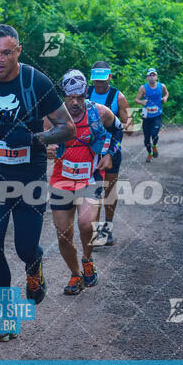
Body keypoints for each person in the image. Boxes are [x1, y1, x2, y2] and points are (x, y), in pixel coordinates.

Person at [0, 24, 75, 341]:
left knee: (24, 249)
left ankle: (34, 267)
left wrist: (35, 138)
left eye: (6, 52)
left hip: (28, 179)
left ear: (18, 51)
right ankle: (6, 317)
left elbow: (68, 128)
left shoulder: (35, 82)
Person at [46, 69, 123, 295]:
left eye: (80, 97)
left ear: (86, 93)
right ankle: (75, 274)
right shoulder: (52, 115)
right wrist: (47, 147)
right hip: (62, 180)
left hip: (90, 178)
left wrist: (109, 154)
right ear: (64, 96)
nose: (76, 102)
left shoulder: (100, 112)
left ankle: (88, 259)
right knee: (63, 234)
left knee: (86, 224)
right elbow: (40, 139)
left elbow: (118, 130)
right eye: (71, 98)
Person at [86, 61, 132, 246]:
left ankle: (108, 227)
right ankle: (96, 232)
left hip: (112, 150)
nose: (99, 84)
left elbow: (129, 124)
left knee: (109, 189)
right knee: (93, 190)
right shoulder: (85, 93)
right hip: (89, 150)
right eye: (96, 81)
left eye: (102, 81)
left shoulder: (118, 97)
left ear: (110, 78)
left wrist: (118, 125)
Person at [135, 68, 169, 162]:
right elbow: (136, 99)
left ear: (156, 77)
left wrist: (165, 98)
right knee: (146, 139)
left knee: (154, 134)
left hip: (157, 114)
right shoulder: (143, 88)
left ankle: (154, 146)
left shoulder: (162, 86)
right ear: (147, 77)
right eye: (150, 75)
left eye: (153, 75)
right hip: (146, 115)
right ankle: (149, 153)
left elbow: (166, 93)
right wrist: (141, 102)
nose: (152, 77)